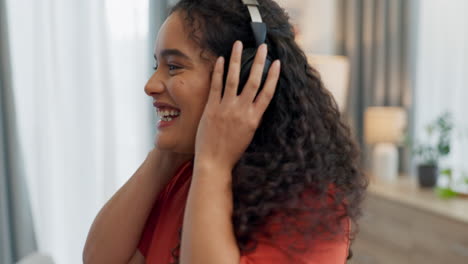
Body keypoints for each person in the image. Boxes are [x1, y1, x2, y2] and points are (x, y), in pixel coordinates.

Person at [83, 0, 367, 263]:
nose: (151, 85)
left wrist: (213, 164)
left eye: (173, 66)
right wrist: (163, 158)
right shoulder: (183, 174)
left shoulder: (312, 205)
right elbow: (99, 259)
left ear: (242, 78)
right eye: (157, 66)